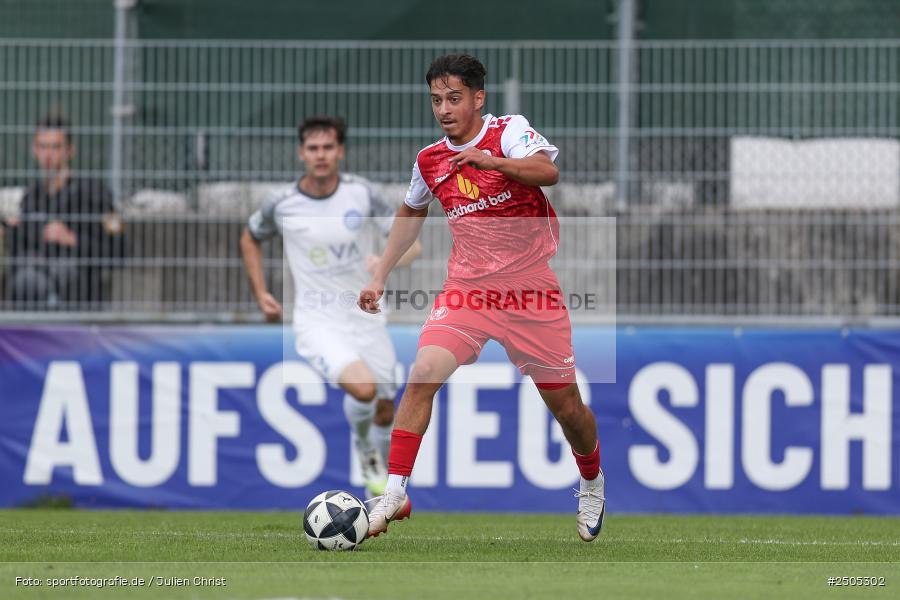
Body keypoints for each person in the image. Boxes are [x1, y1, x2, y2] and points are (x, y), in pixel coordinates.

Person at [358, 54, 605, 541]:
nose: (444, 109)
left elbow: (547, 173)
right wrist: (380, 274)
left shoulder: (509, 131)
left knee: (568, 408)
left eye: (453, 98)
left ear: (478, 98)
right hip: (469, 291)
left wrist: (492, 162)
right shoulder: (429, 160)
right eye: (436, 100)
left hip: (531, 288)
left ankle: (592, 480)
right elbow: (411, 214)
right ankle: (393, 491)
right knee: (424, 372)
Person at [241, 115, 421, 498]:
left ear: (340, 151)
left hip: (366, 317)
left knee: (386, 408)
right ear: (301, 153)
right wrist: (261, 292)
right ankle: (366, 452)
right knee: (363, 390)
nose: (320, 155)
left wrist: (387, 262)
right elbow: (249, 237)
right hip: (316, 321)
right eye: (312, 148)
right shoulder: (283, 203)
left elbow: (411, 244)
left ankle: (378, 474)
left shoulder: (363, 194)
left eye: (327, 148)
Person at [2, 114, 125, 309]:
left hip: (80, 295)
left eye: (55, 147)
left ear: (70, 151)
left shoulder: (94, 194)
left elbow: (119, 250)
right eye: (43, 147)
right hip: (34, 287)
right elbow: (22, 248)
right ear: (34, 150)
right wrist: (9, 232)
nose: (48, 154)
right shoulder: (31, 198)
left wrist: (72, 239)